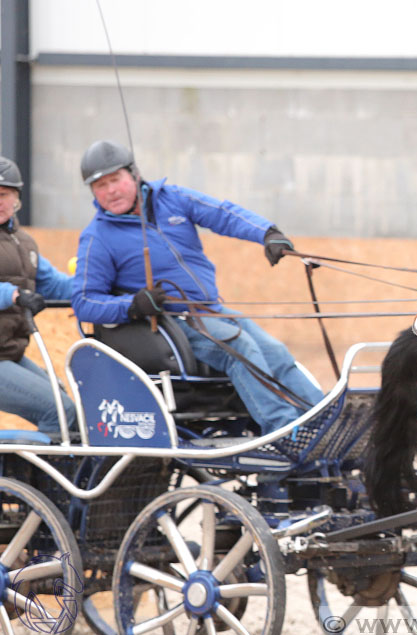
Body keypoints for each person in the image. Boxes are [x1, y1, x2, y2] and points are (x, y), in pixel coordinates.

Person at [71, 140, 324, 434]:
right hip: (170, 324)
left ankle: (323, 420)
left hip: (210, 310)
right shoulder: (97, 238)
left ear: (134, 174)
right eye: (100, 186)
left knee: (275, 351)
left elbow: (223, 214)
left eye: (115, 180)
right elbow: (84, 301)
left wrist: (267, 233)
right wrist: (132, 305)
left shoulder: (173, 199)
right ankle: (285, 431)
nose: (111, 190)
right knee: (239, 348)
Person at [0, 156, 77, 438]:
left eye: (4, 195)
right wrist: (13, 295)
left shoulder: (24, 242)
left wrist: (96, 284)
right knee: (58, 411)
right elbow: (14, 293)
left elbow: (55, 285)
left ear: (17, 197)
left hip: (9, 352)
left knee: (70, 407)